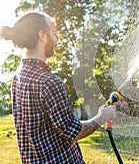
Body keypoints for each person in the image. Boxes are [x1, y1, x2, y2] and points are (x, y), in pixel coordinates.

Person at [0, 11, 116, 163]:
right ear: (42, 36)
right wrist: (101, 118)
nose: (57, 38)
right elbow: (73, 133)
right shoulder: (49, 82)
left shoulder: (18, 77)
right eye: (54, 31)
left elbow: (60, 126)